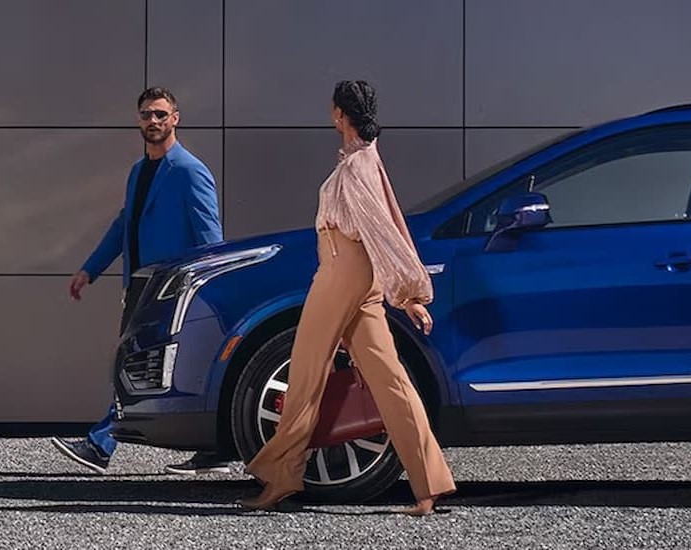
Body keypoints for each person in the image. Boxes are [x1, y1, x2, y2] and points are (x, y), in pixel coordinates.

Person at [238, 80, 456, 516]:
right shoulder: (364, 161)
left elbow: (383, 231)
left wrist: (410, 294)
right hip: (357, 278)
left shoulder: (357, 168)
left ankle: (280, 479)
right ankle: (429, 486)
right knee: (390, 379)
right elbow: (389, 226)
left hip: (341, 273)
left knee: (304, 374)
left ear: (339, 114)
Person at [51, 87, 232, 476]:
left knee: (143, 365)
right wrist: (89, 270)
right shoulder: (138, 172)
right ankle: (212, 451)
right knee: (146, 367)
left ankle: (102, 444)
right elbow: (124, 226)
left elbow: (209, 235)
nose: (154, 121)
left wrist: (209, 287)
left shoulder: (189, 170)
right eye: (147, 114)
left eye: (161, 115)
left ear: (175, 119)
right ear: (138, 120)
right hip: (139, 287)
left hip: (174, 290)